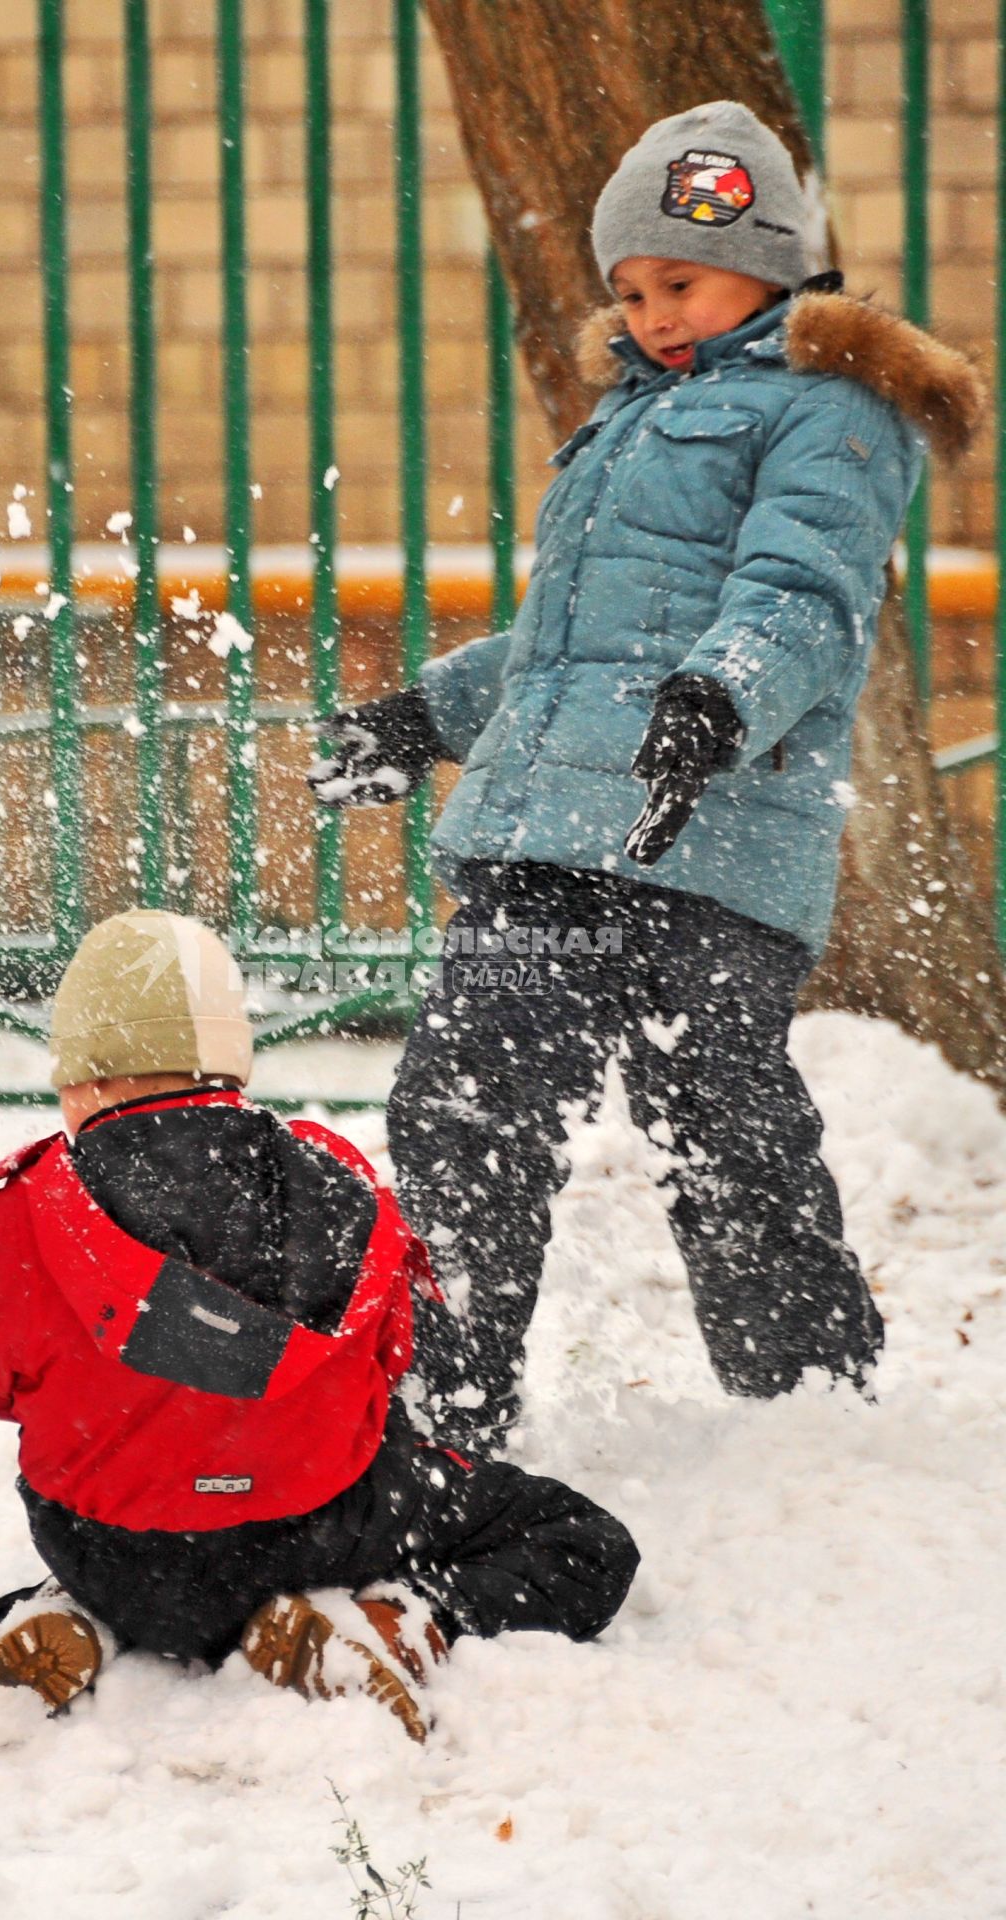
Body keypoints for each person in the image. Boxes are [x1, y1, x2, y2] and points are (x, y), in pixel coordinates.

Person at [309, 100, 984, 1453]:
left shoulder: (834, 415)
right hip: (548, 835)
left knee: (722, 1124)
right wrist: (427, 715)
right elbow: (574, 643)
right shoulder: (629, 420)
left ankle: (809, 1416)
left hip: (708, 839)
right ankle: (442, 1407)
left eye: (679, 277)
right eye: (630, 288)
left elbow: (803, 597)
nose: (652, 310)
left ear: (773, 262)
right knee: (464, 1102)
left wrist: (719, 698)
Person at [0, 909, 638, 1736]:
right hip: (317, 1541)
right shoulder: (332, 1183)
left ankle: (75, 1616)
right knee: (585, 1542)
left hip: (105, 1552)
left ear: (84, 1078)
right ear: (228, 1058)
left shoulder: (37, 1205)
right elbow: (391, 1359)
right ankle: (395, 1621)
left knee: (141, 1525)